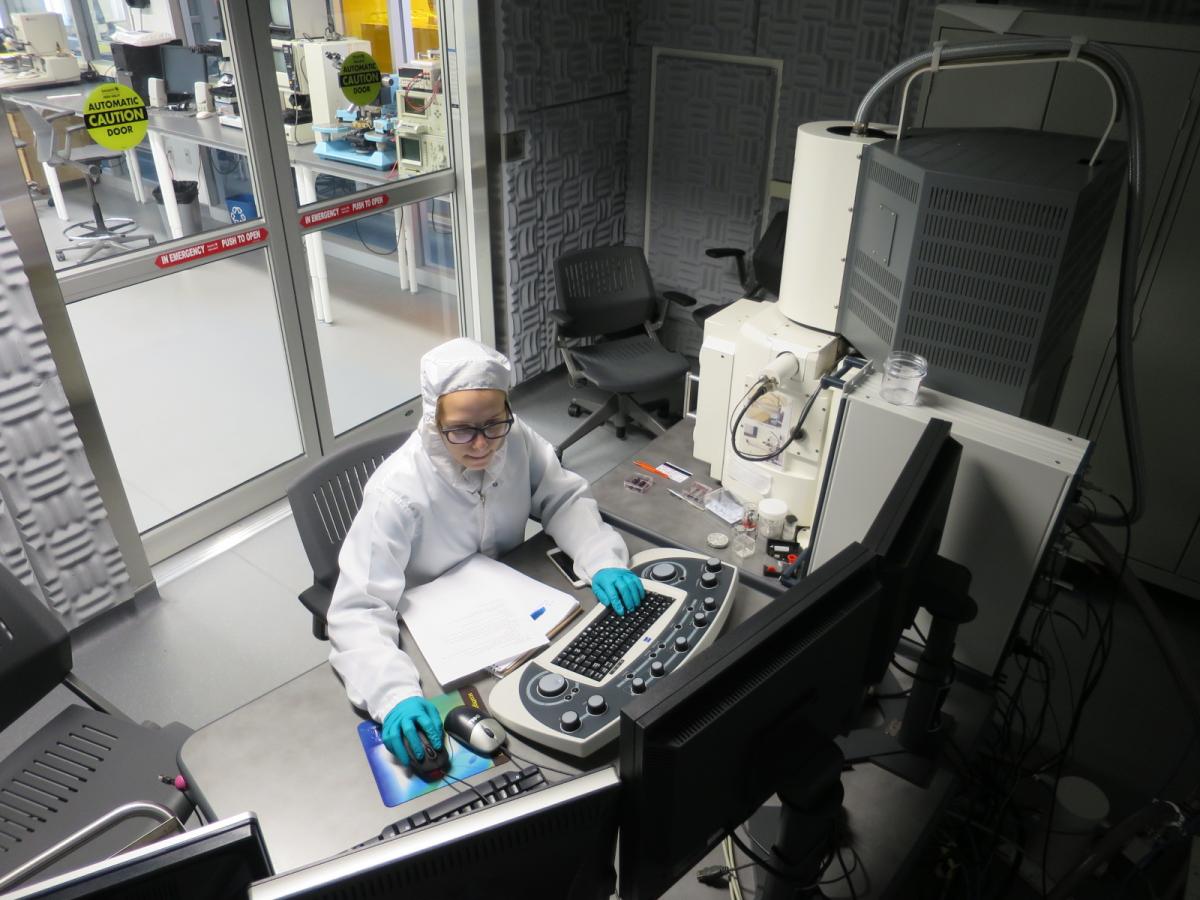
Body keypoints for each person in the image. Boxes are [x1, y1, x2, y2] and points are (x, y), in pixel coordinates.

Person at [327, 338, 645, 767]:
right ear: (432, 419)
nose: (481, 445)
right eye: (460, 430)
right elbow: (358, 609)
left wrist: (601, 557)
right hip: (435, 640)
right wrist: (393, 693)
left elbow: (562, 498)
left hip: (513, 617)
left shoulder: (515, 441)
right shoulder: (396, 493)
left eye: (494, 425)